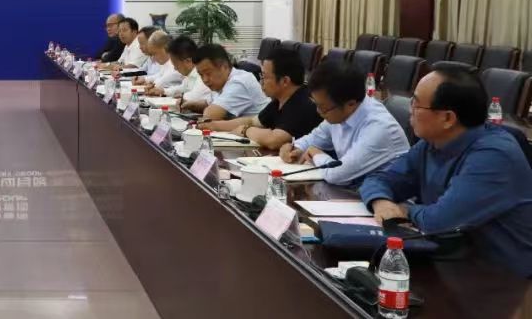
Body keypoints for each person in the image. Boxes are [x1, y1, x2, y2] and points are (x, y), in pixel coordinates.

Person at [360, 66, 532, 277]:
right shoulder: (431, 143)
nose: (410, 109)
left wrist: (405, 210)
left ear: (448, 118)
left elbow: (440, 222)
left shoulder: (495, 155)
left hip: (507, 280)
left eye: (416, 103)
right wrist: (381, 201)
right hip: (451, 262)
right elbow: (378, 179)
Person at [279, 60, 409, 186]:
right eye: (316, 104)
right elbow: (314, 138)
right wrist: (295, 148)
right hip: (355, 189)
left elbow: (337, 175)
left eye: (323, 108)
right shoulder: (338, 112)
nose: (318, 112)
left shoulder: (379, 128)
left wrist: (315, 154)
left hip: (386, 197)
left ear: (350, 104)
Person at [201, 48, 322, 150]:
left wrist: (245, 131)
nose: (261, 81)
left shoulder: (303, 102)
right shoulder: (278, 101)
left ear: (285, 81)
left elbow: (274, 140)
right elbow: (253, 122)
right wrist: (213, 125)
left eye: (265, 76)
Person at [185, 44, 269, 120]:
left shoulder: (239, 82)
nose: (205, 80)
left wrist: (208, 109)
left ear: (224, 66)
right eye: (201, 75)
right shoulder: (221, 83)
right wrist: (188, 105)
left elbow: (209, 116)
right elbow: (208, 102)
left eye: (208, 73)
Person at [147, 36, 212, 104]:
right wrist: (163, 91)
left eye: (176, 65)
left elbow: (194, 96)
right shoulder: (190, 75)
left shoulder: (202, 74)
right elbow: (182, 88)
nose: (175, 68)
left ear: (188, 61)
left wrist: (180, 96)